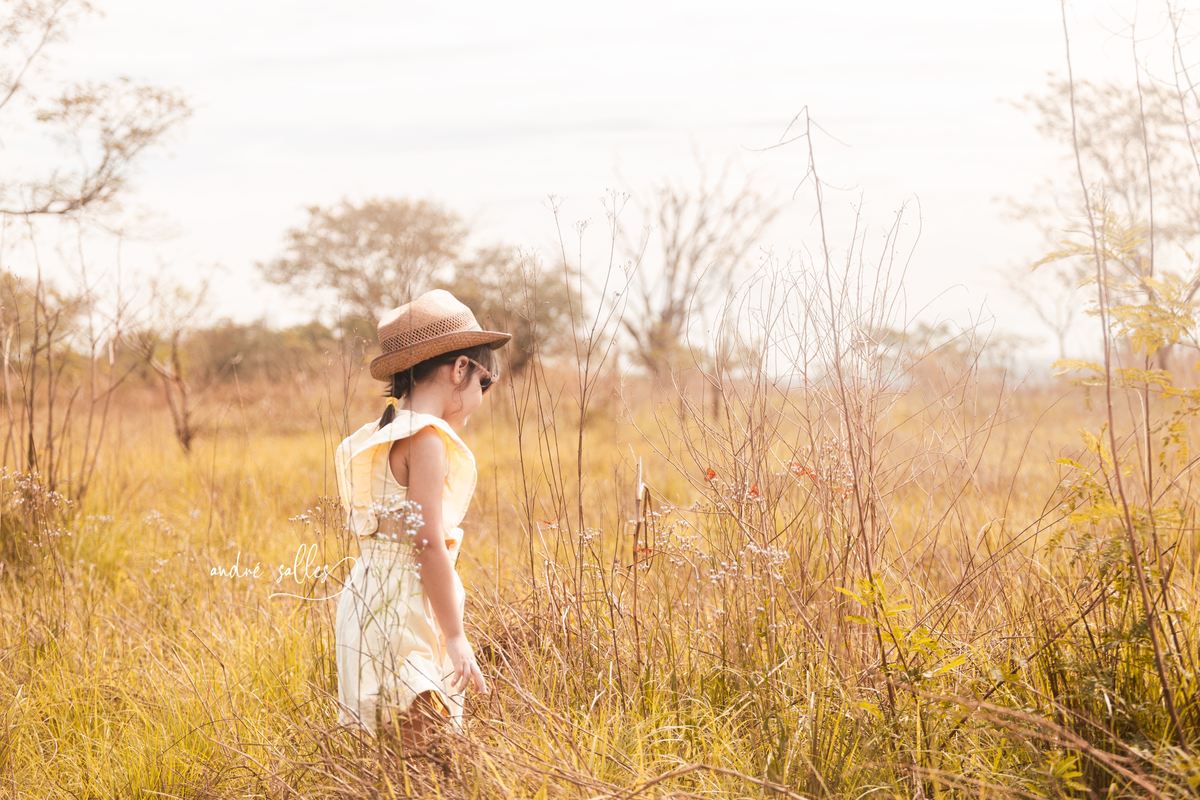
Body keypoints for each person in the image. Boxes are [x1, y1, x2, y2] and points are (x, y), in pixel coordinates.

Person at [333, 288, 510, 749]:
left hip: (365, 595)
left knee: (384, 744)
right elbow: (427, 542)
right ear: (460, 369)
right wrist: (455, 636)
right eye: (484, 383)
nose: (482, 397)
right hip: (403, 605)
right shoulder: (428, 439)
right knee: (422, 748)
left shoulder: (384, 432)